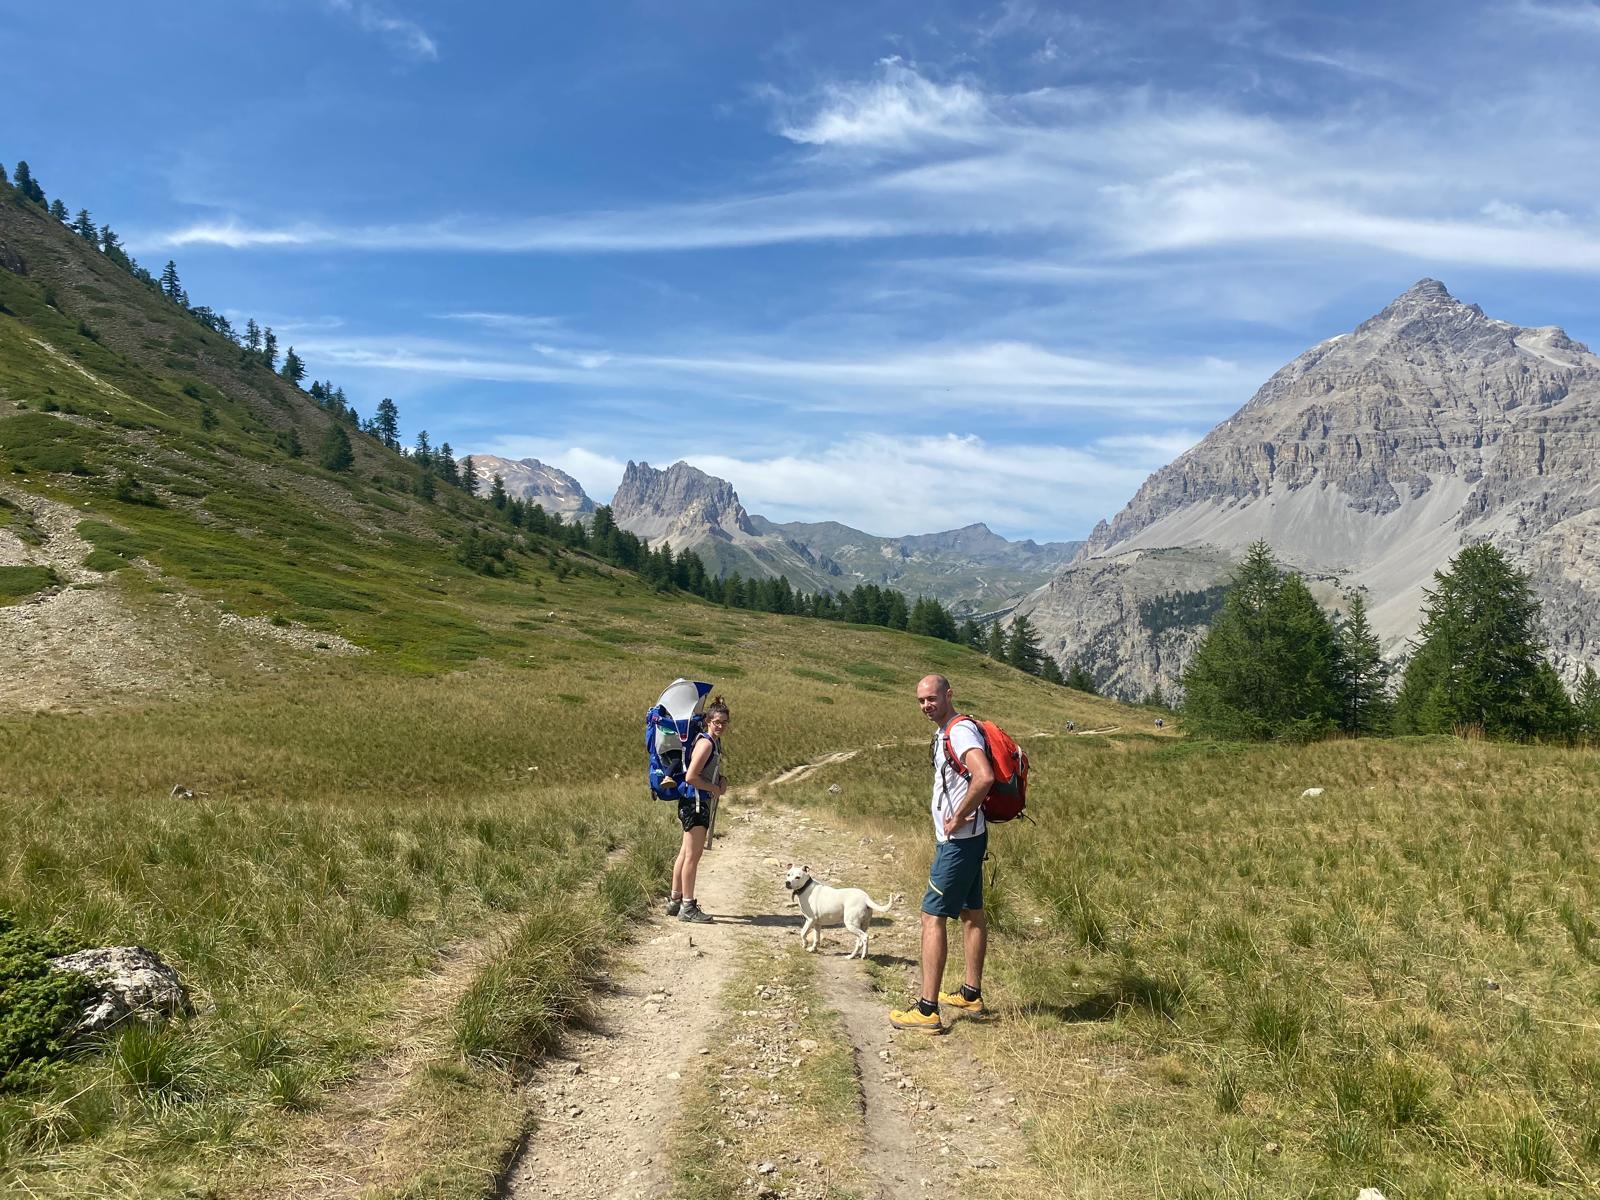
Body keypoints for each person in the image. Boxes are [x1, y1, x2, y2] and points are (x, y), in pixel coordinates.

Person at [890, 675, 993, 1033]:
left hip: (959, 842)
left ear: (949, 695)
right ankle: (970, 993)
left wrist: (960, 815)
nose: (926, 706)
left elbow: (984, 777)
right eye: (920, 701)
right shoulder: (948, 730)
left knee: (931, 917)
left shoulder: (960, 732)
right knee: (971, 912)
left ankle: (927, 1009)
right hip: (971, 838)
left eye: (932, 698)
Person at [666, 696, 728, 924]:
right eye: (717, 721)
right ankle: (688, 907)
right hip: (696, 803)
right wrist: (714, 788)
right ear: (708, 721)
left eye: (724, 722)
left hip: (693, 801)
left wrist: (721, 780)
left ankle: (675, 900)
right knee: (693, 856)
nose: (720, 725)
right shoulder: (706, 743)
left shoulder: (709, 741)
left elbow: (703, 772)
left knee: (685, 853)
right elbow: (692, 777)